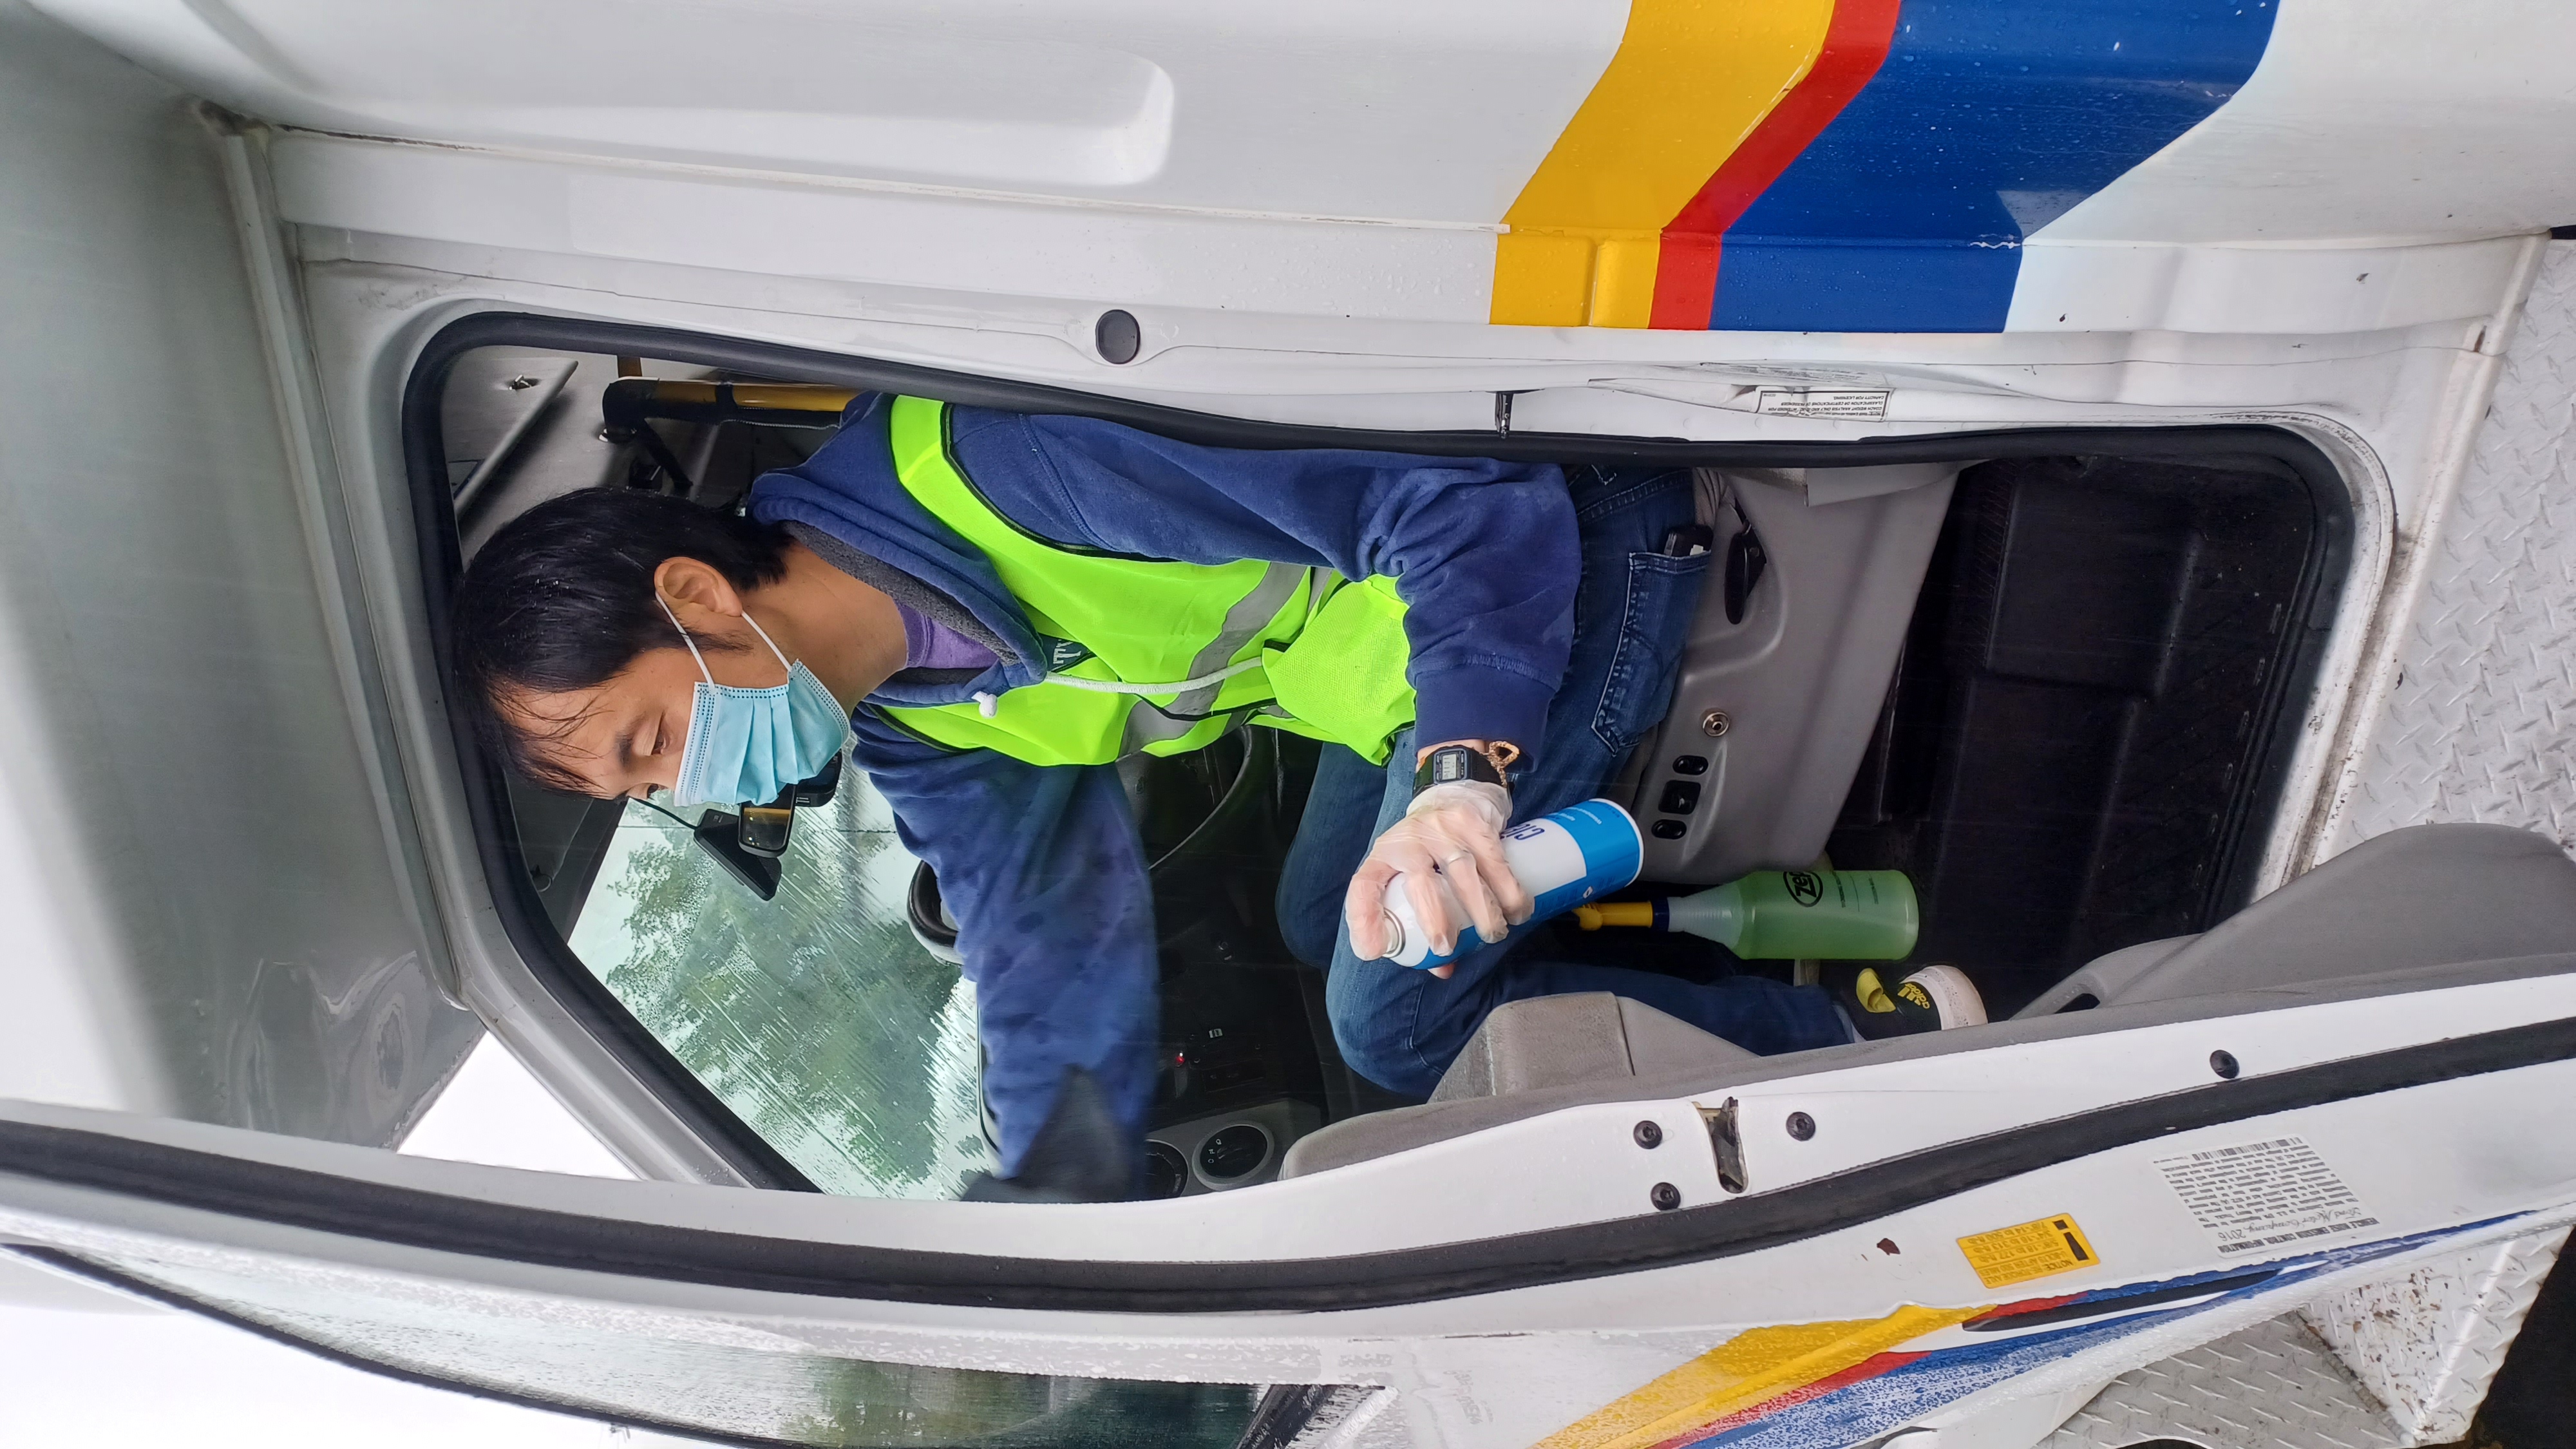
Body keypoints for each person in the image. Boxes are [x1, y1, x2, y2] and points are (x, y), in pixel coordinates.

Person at [451, 394, 1985, 1189]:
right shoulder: (906, 716)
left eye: (646, 740)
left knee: (1387, 1020)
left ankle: (1878, 1045)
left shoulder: (1004, 465)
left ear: (695, 600)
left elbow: (1458, 499)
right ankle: (1689, 979)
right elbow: (1025, 941)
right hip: (1397, 682)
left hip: (1549, 559)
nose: (684, 788)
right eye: (636, 792)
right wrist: (1043, 1182)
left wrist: (1457, 775)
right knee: (1329, 926)